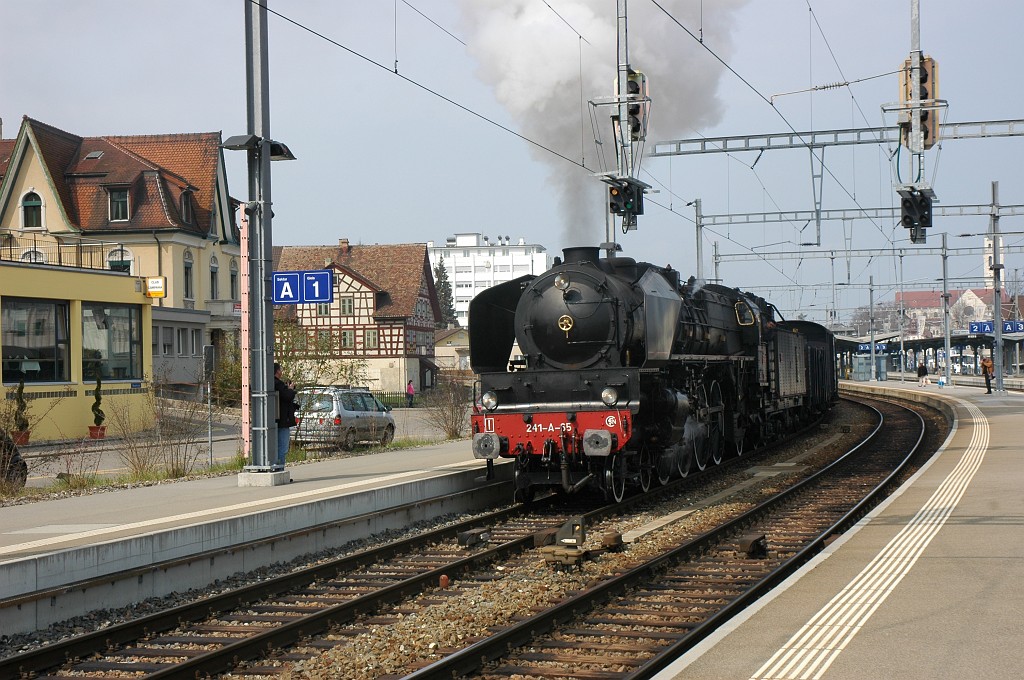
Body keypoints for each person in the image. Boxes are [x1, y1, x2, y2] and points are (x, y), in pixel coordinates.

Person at [274, 362, 298, 467]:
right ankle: (280, 468)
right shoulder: (278, 384)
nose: (281, 371)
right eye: (281, 369)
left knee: (275, 446)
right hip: (282, 421)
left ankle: (276, 466)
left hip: (273, 421)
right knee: (282, 447)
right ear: (278, 371)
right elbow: (287, 397)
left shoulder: (268, 383)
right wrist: (291, 389)